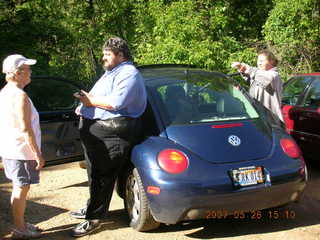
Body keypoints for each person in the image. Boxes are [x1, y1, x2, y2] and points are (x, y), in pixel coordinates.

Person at [70, 37, 147, 237]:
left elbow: (116, 102)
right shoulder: (112, 72)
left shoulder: (129, 73)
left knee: (102, 176)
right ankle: (91, 207)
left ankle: (94, 219)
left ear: (120, 55)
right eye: (104, 53)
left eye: (107, 54)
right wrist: (84, 103)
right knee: (94, 174)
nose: (103, 57)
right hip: (97, 131)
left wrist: (90, 101)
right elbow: (99, 99)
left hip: (112, 133)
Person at [0, 54, 45, 239]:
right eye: (27, 69)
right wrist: (37, 154)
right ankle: (20, 228)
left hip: (10, 149)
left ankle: (20, 223)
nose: (30, 72)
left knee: (19, 187)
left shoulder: (5, 92)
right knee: (21, 188)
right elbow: (26, 129)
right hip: (21, 151)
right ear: (17, 73)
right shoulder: (20, 96)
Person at [231, 50, 283, 122]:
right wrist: (240, 90)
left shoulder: (274, 75)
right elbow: (253, 97)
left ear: (271, 61)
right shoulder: (258, 75)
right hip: (259, 119)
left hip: (272, 121)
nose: (259, 63)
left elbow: (263, 78)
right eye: (258, 61)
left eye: (262, 61)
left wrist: (245, 68)